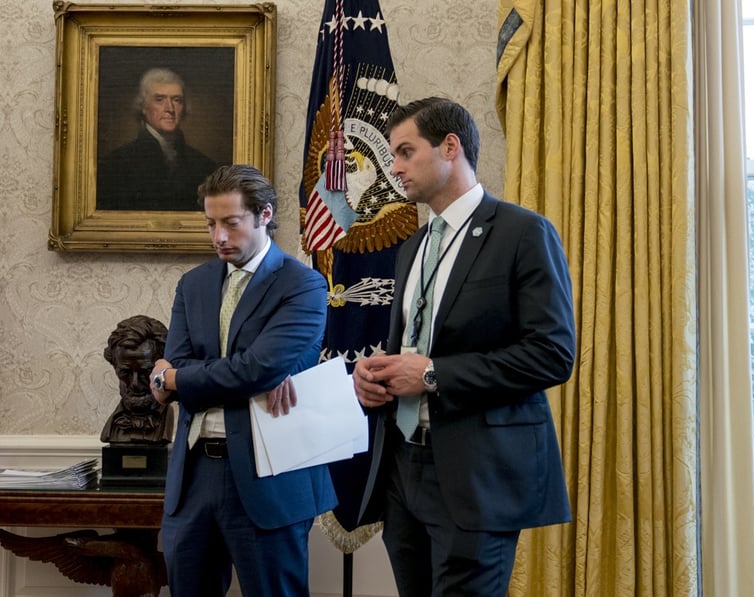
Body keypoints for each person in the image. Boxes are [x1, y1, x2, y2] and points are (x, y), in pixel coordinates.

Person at [352, 97, 576, 596]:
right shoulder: (413, 247)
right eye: (392, 155)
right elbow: (410, 345)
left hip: (477, 478)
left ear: (450, 147)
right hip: (402, 472)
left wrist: (433, 376)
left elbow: (553, 353)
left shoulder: (523, 233)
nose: (395, 168)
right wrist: (376, 378)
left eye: (406, 152)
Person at [148, 164, 336, 596]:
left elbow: (256, 369)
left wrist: (176, 378)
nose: (218, 237)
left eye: (231, 223)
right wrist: (201, 374)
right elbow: (185, 360)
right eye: (211, 224)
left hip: (268, 477)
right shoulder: (192, 284)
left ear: (264, 215)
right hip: (193, 477)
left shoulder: (303, 285)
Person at [96, 67, 219, 211]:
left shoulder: (205, 166)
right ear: (143, 106)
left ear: (184, 107)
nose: (170, 109)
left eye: (176, 100)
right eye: (159, 99)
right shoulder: (114, 165)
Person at [100, 314, 174, 444]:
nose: (135, 384)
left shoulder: (167, 417)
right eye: (125, 372)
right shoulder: (112, 427)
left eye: (145, 372)